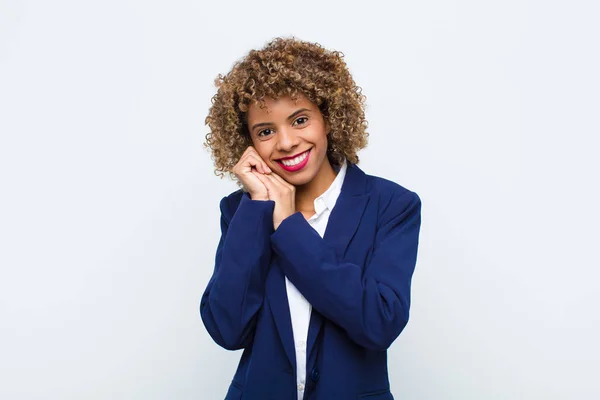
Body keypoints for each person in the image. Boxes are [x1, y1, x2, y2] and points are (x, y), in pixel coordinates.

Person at [199, 36, 422, 400]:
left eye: (300, 120)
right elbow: (227, 329)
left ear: (329, 119)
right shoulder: (241, 211)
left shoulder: (391, 205)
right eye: (266, 131)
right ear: (248, 142)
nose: (285, 142)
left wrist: (289, 228)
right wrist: (259, 211)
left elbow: (380, 322)